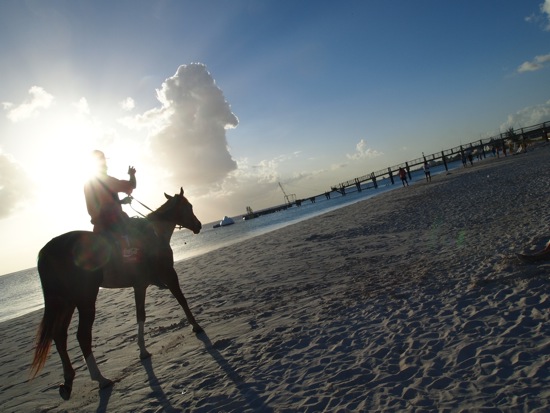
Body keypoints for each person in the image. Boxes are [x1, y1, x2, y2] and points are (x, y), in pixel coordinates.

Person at [84, 150, 136, 242]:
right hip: (113, 222)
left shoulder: (87, 183)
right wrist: (132, 174)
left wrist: (121, 202)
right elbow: (131, 185)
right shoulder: (106, 180)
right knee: (140, 227)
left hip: (98, 226)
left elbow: (98, 205)